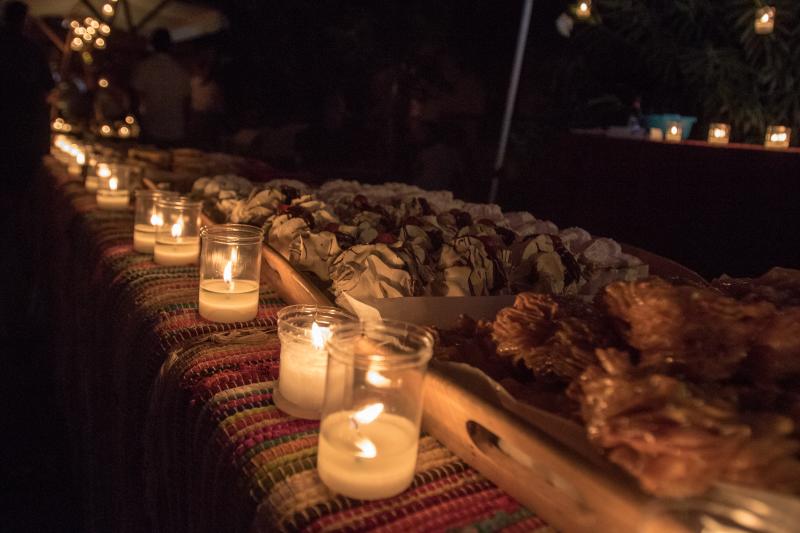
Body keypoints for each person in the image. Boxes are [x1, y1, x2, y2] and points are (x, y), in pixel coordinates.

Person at [131, 28, 190, 145]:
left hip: (151, 129)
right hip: (176, 131)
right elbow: (186, 103)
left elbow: (135, 99)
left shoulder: (144, 68)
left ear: (152, 44)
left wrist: (140, 124)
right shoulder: (180, 70)